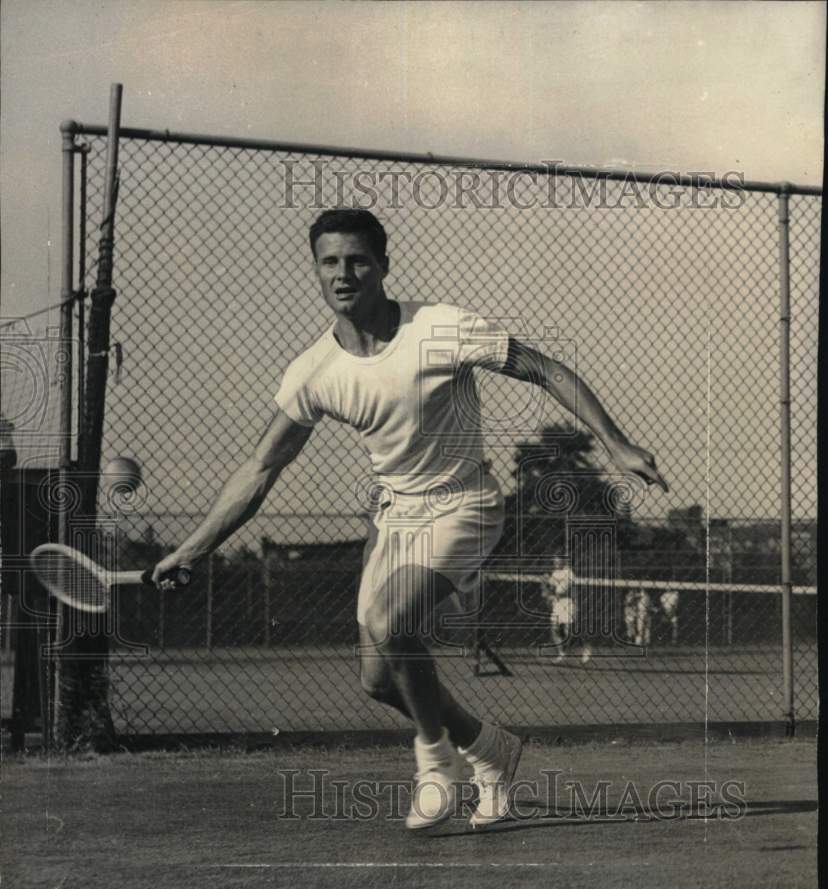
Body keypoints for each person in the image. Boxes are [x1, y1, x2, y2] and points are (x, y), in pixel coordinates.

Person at [152, 208, 668, 832]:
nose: (343, 274)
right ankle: (490, 751)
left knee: (390, 620)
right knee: (376, 678)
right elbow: (261, 467)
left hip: (466, 504)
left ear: (384, 267)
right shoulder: (314, 372)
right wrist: (194, 548)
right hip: (396, 519)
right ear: (316, 270)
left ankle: (436, 766)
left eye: (358, 260)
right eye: (329, 262)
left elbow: (544, 369)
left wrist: (614, 443)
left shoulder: (440, 328)